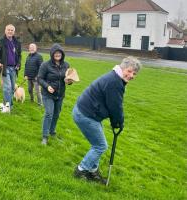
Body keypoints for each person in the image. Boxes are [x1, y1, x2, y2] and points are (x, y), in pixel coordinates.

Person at [73, 56, 142, 184]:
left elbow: (113, 104)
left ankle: (92, 171)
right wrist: (118, 123)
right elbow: (115, 106)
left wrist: (115, 122)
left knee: (97, 144)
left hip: (87, 112)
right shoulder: (115, 82)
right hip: (85, 114)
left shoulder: (115, 77)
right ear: (122, 68)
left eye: (134, 73)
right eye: (129, 71)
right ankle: (81, 170)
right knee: (100, 145)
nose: (131, 75)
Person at [38, 43, 73, 145]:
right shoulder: (45, 65)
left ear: (62, 54)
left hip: (60, 94)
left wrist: (69, 81)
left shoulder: (66, 65)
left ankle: (52, 131)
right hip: (47, 94)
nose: (57, 54)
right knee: (49, 113)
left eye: (59, 53)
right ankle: (45, 136)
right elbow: (39, 78)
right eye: (55, 53)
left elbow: (68, 79)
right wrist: (47, 86)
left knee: (56, 114)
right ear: (52, 54)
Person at [0, 24, 22, 111]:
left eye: (12, 30)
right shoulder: (1, 41)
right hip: (4, 67)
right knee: (7, 87)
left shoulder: (16, 42)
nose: (10, 31)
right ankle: (7, 108)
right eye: (8, 30)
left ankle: (8, 104)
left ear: (14, 32)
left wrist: (18, 64)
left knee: (12, 88)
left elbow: (19, 55)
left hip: (14, 68)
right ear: (5, 31)